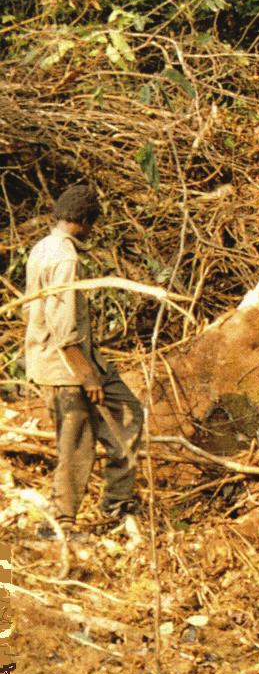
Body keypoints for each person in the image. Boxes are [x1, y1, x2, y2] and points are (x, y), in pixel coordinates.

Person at [24, 184, 144, 534]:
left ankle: (117, 506)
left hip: (63, 362)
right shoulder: (65, 259)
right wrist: (87, 375)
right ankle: (58, 525)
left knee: (128, 416)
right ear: (86, 221)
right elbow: (64, 330)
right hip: (66, 368)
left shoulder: (41, 248)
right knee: (76, 444)